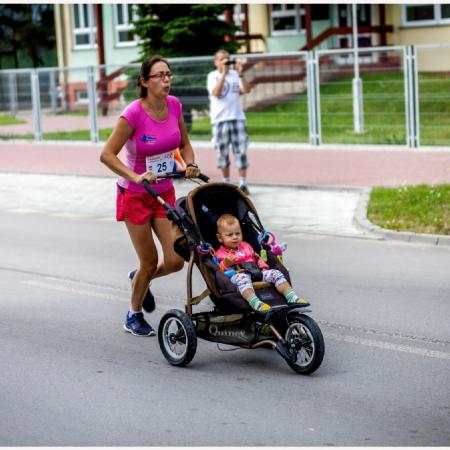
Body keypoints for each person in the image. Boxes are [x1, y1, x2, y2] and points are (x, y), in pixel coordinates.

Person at [100, 56, 201, 337]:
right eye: (159, 76)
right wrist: (135, 176)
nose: (166, 80)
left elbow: (185, 144)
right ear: (144, 82)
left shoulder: (174, 105)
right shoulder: (133, 113)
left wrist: (189, 164)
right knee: (148, 260)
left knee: (175, 260)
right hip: (134, 194)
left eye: (168, 74)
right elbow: (106, 155)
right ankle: (133, 315)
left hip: (164, 192)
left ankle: (139, 280)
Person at [215, 214, 309, 312]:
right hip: (238, 275)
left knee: (276, 273)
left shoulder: (246, 246)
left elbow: (256, 257)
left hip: (256, 272)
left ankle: (291, 296)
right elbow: (219, 270)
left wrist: (263, 265)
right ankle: (255, 302)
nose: (235, 237)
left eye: (238, 233)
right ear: (220, 238)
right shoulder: (220, 253)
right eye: (230, 235)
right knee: (243, 279)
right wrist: (226, 263)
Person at [207, 49, 251, 195]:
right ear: (215, 62)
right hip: (220, 120)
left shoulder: (235, 75)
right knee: (222, 152)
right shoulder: (212, 76)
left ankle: (243, 183)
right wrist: (224, 73)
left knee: (241, 151)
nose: (226, 61)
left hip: (237, 117)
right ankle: (226, 183)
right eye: (222, 59)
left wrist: (240, 73)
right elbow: (216, 93)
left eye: (227, 59)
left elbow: (246, 90)